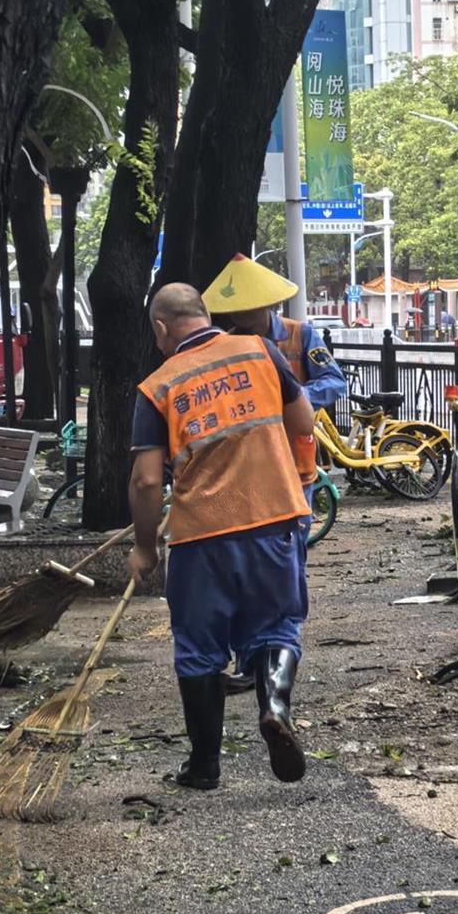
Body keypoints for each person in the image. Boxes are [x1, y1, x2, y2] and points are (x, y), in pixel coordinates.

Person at [128, 282, 316, 790]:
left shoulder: (157, 387)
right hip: (274, 518)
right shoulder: (261, 351)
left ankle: (205, 766)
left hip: (200, 535)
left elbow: (147, 480)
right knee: (276, 627)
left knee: (199, 648)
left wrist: (146, 545)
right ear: (206, 314)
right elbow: (304, 421)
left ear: (161, 328)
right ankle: (274, 706)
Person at [202, 255, 348, 527]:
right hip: (245, 463)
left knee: (294, 536)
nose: (239, 313)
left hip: (294, 457)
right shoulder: (225, 344)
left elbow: (334, 381)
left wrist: (294, 399)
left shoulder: (299, 335)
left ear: (267, 303)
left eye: (248, 306)